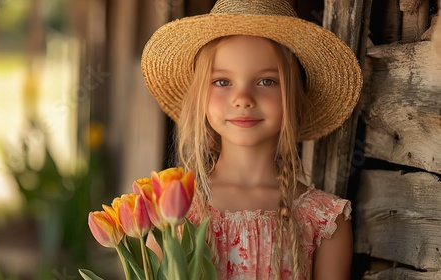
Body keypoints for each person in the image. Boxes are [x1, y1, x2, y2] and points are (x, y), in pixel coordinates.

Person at [140, 0, 362, 279]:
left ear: (293, 98)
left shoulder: (325, 221)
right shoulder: (174, 211)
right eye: (222, 81)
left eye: (266, 81)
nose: (242, 99)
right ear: (201, 98)